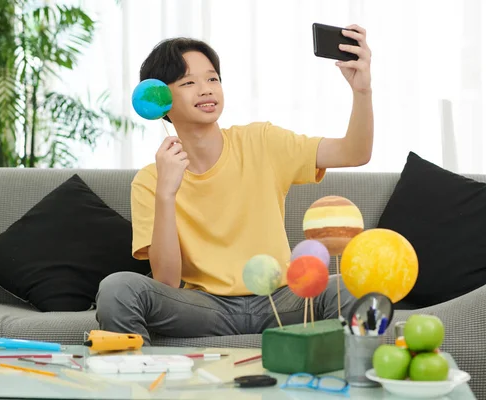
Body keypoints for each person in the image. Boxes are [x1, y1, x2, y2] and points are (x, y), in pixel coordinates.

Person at [96, 25, 373, 345]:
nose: (205, 89)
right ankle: (136, 382)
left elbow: (355, 153)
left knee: (354, 284)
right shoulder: (150, 180)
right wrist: (166, 193)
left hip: (283, 299)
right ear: (159, 100)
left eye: (212, 78)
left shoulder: (261, 141)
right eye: (188, 82)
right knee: (117, 289)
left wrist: (362, 91)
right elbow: (167, 281)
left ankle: (359, 384)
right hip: (205, 309)